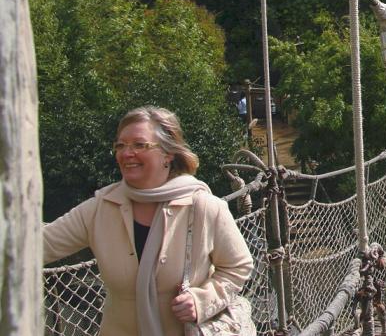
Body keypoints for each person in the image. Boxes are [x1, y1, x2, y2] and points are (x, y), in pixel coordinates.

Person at [43, 106, 254, 336]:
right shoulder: (99, 208)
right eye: (121, 145)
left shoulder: (204, 206)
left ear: (168, 154)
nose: (126, 153)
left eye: (139, 145)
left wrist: (202, 301)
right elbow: (39, 245)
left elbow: (238, 266)